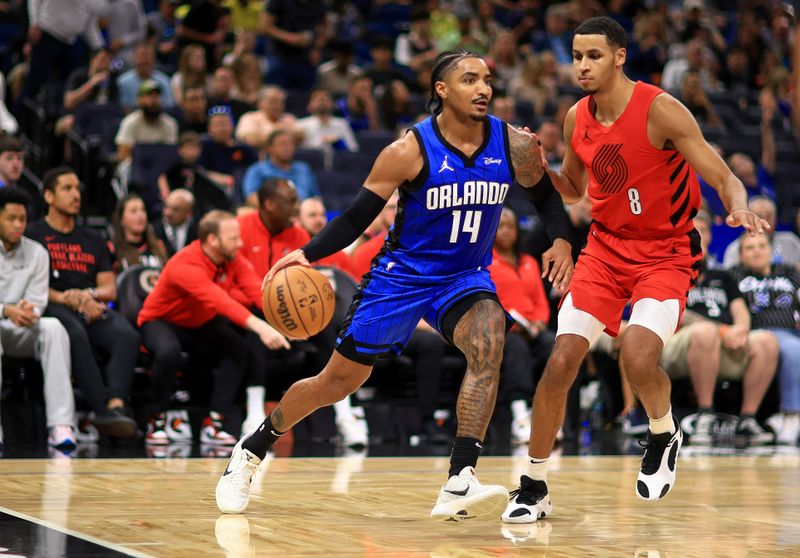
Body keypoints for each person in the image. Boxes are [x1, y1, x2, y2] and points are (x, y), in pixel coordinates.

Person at [216, 50, 573, 519]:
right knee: (336, 382)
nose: (484, 88)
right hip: (401, 277)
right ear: (441, 89)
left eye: (487, 80)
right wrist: (307, 252)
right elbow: (357, 215)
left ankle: (460, 477)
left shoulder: (513, 144)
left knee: (489, 344)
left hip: (464, 277)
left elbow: (545, 196)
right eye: (470, 80)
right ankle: (253, 446)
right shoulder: (409, 150)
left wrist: (563, 239)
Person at [503, 17, 769, 524]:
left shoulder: (661, 110)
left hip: (667, 251)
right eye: (577, 56)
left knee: (638, 355)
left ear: (619, 56)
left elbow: (721, 173)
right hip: (604, 249)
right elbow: (575, 189)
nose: (582, 65)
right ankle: (534, 484)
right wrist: (536, 171)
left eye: (594, 55)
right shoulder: (576, 117)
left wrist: (739, 205)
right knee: (560, 362)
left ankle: (664, 431)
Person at [137, 210, 290, 445]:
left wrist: (287, 317)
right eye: (233, 238)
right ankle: (155, 419)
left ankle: (214, 423)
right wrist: (262, 327)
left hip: (199, 322)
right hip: (161, 321)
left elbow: (257, 292)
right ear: (212, 240)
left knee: (238, 348)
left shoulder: (232, 259)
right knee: (169, 352)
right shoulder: (185, 262)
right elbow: (219, 300)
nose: (240, 244)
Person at [27, 167, 140, 438]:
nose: (76, 195)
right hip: (52, 303)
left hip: (89, 303)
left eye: (77, 188)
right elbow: (33, 286)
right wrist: (68, 298)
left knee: (126, 335)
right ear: (49, 196)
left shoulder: (93, 237)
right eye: (67, 189)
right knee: (73, 333)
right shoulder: (33, 235)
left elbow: (109, 289)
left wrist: (86, 296)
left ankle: (116, 405)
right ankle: (102, 410)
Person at [660, 212, 778, 446]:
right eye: (692, 231)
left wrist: (741, 332)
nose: (697, 236)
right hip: (677, 347)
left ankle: (747, 419)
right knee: (705, 332)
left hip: (722, 344)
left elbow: (740, 310)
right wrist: (724, 331)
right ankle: (706, 414)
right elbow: (680, 316)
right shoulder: (668, 270)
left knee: (766, 340)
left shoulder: (722, 276)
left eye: (702, 231)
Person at [0, 188, 76, 450]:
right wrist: (5, 310)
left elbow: (38, 301)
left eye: (22, 219)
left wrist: (26, 311)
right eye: (11, 218)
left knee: (54, 328)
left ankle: (60, 425)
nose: (18, 225)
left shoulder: (38, 253)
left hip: (22, 327)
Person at [488, 207, 555, 445]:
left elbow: (540, 300)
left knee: (552, 344)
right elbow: (487, 300)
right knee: (516, 347)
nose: (507, 232)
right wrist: (508, 322)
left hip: (531, 327)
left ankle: (551, 415)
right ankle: (520, 416)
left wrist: (539, 322)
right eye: (501, 226)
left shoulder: (528, 262)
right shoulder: (485, 261)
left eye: (511, 227)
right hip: (504, 329)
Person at [730, 234, 800, 446]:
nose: (757, 251)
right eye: (750, 248)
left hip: (791, 330)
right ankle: (791, 413)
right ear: (741, 255)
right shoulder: (734, 275)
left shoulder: (788, 272)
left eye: (762, 246)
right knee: (793, 348)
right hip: (757, 333)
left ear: (771, 250)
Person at [242, 129, 319, 203]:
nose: (287, 148)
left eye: (291, 144)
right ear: (270, 148)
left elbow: (316, 197)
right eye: (282, 144)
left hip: (303, 211)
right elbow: (251, 198)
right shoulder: (257, 170)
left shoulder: (303, 168)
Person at [111, 193, 169, 270]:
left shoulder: (159, 245)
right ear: (122, 219)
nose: (140, 215)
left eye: (143, 210)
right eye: (133, 211)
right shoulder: (112, 249)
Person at [154, 189, 196, 257]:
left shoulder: (197, 233)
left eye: (176, 209)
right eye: (166, 207)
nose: (168, 213)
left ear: (188, 213)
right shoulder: (153, 231)